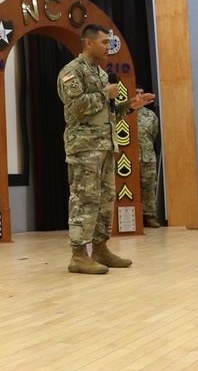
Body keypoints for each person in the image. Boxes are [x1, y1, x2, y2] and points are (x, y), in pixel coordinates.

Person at [57, 25, 155, 274]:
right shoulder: (72, 71)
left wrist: (130, 106)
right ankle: (78, 255)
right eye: (104, 42)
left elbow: (106, 111)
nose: (108, 47)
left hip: (105, 147)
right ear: (88, 43)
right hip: (83, 149)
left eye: (109, 42)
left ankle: (100, 249)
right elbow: (76, 107)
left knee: (105, 201)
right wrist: (104, 93)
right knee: (84, 200)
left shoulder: (100, 73)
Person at [136, 88, 161, 228]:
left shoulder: (150, 115)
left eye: (141, 92)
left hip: (147, 157)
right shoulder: (124, 114)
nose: (139, 95)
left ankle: (150, 217)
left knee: (149, 188)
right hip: (127, 159)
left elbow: (153, 134)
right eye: (135, 93)